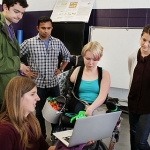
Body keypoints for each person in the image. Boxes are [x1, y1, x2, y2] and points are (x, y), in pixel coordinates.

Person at [20, 16, 70, 139]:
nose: (45, 31)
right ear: (37, 28)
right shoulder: (29, 43)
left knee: (56, 111)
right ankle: (41, 135)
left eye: (48, 28)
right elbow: (15, 57)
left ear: (52, 28)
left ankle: (55, 135)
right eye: (43, 28)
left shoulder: (57, 42)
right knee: (39, 112)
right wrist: (26, 72)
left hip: (53, 84)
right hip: (37, 85)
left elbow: (67, 56)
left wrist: (61, 69)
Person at [0, 76, 57, 150]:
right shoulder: (5, 130)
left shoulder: (31, 120)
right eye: (32, 94)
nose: (38, 98)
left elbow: (45, 148)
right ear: (18, 97)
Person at [0, 0, 30, 110]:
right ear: (5, 7)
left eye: (22, 13)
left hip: (9, 87)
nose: (19, 16)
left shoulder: (9, 26)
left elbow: (9, 54)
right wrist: (19, 65)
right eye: (16, 11)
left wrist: (20, 66)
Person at [70, 41, 110, 116]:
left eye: (94, 60)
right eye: (88, 59)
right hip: (80, 103)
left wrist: (90, 108)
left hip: (98, 106)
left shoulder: (105, 74)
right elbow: (71, 82)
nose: (91, 63)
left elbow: (103, 96)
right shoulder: (77, 71)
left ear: (100, 58)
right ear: (83, 56)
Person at [128, 24, 150, 150]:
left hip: (147, 107)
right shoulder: (132, 56)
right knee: (133, 135)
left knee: (141, 142)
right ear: (140, 38)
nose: (146, 44)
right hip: (133, 102)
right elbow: (131, 74)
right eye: (144, 40)